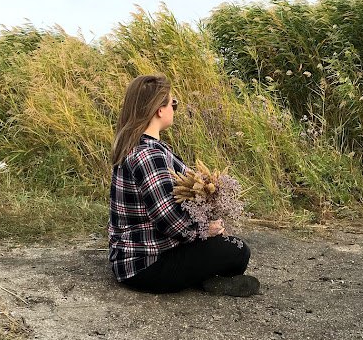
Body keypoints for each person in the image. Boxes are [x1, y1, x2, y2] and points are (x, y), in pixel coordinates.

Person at [108, 74, 260, 296]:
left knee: (226, 246)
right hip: (147, 266)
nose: (174, 109)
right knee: (238, 251)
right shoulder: (149, 155)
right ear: (159, 110)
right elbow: (167, 218)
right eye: (173, 103)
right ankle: (206, 281)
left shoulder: (138, 146)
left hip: (133, 258)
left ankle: (205, 278)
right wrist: (204, 230)